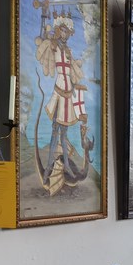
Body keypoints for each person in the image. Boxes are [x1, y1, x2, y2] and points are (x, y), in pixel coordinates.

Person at [34, 13, 87, 185]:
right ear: (59, 30)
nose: (64, 34)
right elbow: (42, 41)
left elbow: (73, 73)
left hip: (68, 94)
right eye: (62, 30)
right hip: (58, 93)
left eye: (67, 31)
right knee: (55, 133)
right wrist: (45, 26)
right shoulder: (54, 46)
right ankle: (49, 167)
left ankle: (67, 167)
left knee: (63, 135)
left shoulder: (69, 51)